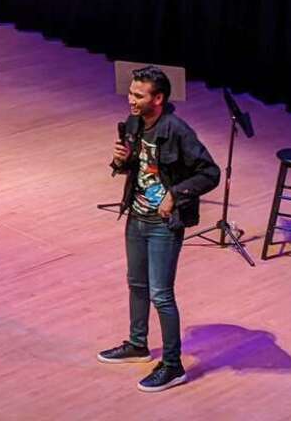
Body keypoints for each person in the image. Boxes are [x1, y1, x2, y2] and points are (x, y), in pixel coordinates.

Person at [98, 65, 220, 392]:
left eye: (138, 95)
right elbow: (135, 168)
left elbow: (210, 173)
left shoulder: (177, 130)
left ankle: (172, 364)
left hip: (164, 224)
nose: (131, 100)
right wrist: (120, 160)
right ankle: (138, 344)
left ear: (159, 98)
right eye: (131, 93)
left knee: (161, 295)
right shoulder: (136, 123)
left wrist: (175, 194)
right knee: (136, 283)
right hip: (137, 216)